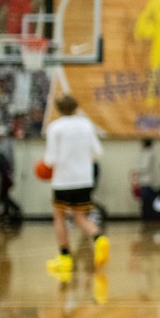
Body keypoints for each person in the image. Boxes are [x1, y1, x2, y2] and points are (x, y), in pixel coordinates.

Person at [44, 94, 107, 281]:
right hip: (84, 180)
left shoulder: (55, 128)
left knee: (60, 216)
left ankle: (65, 258)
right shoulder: (86, 125)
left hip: (63, 180)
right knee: (80, 217)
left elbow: (50, 159)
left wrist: (44, 167)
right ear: (76, 107)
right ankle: (99, 237)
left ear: (58, 108)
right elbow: (97, 153)